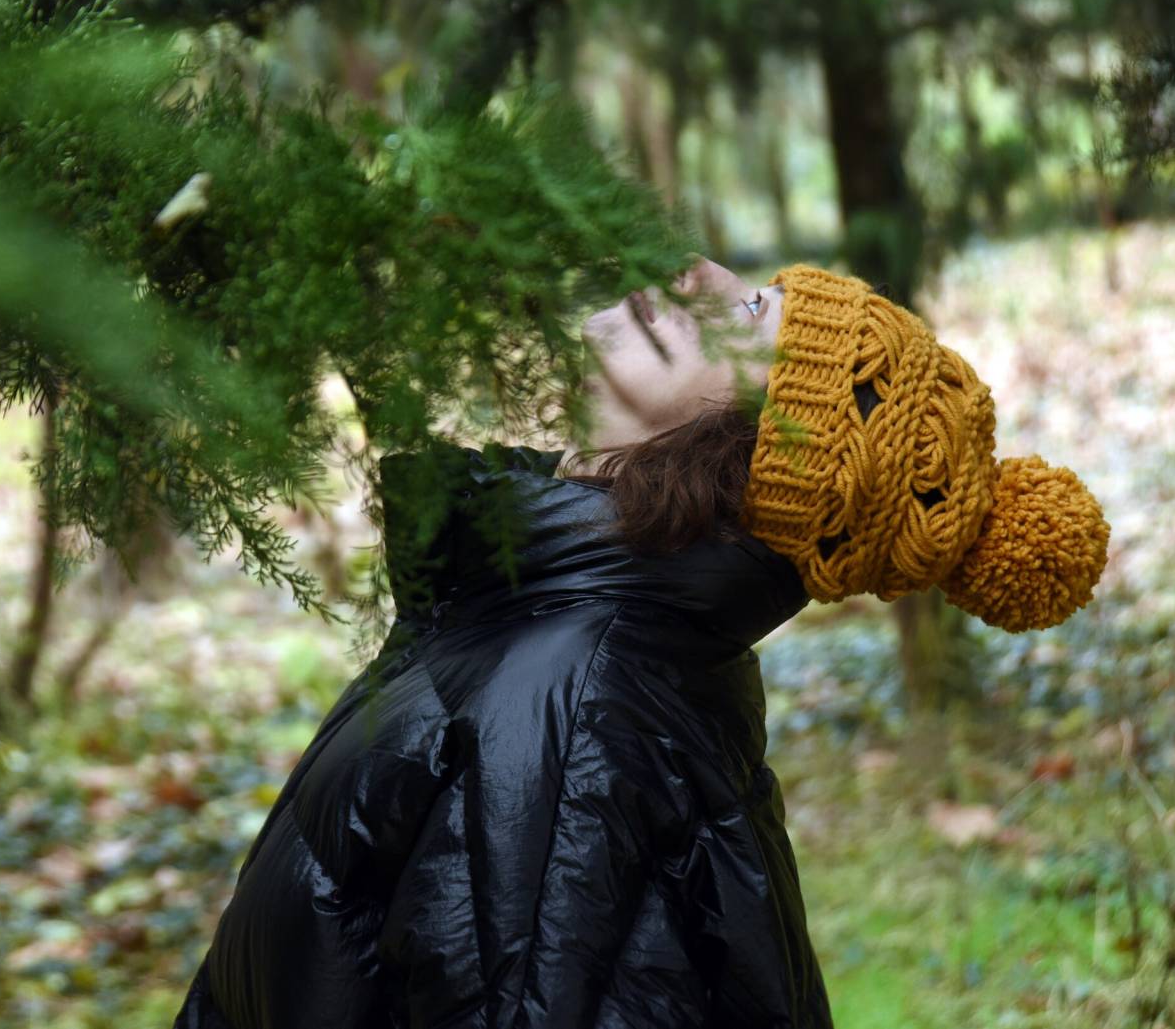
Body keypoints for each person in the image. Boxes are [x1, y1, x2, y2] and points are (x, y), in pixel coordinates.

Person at [174, 258, 1112, 1029]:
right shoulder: (562, 634)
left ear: (755, 456)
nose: (698, 272)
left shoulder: (578, 719)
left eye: (748, 310)